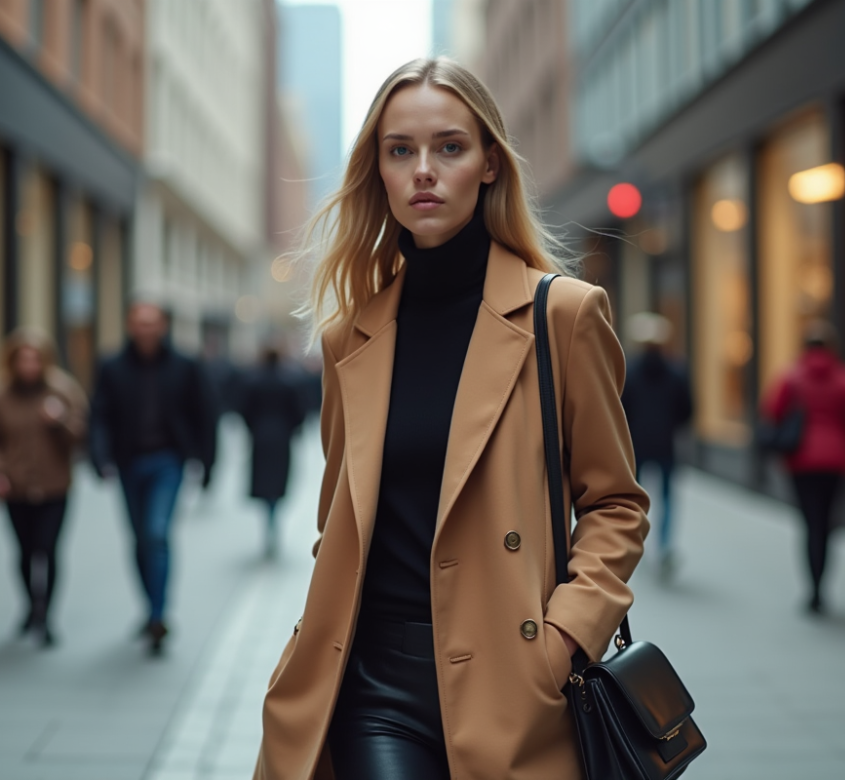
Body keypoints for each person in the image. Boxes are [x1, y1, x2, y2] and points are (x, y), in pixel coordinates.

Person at [255, 58, 650, 780]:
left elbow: (616, 502)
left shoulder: (561, 315)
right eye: (400, 150)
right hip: (374, 681)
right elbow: (338, 519)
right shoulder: (353, 336)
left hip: (515, 675)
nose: (423, 171)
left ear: (490, 163)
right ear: (377, 171)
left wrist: (566, 635)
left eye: (450, 147)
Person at [89, 302, 219, 656]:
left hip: (168, 461)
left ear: (163, 326)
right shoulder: (112, 366)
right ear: (129, 325)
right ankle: (149, 609)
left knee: (156, 533)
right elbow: (99, 414)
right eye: (138, 322)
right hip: (130, 463)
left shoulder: (186, 365)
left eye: (151, 323)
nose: (144, 329)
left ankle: (160, 614)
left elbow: (206, 416)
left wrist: (209, 465)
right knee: (138, 538)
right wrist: (99, 458)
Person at [0, 329, 87, 648]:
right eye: (22, 359)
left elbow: (81, 436)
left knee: (49, 549)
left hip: (55, 486)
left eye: (35, 359)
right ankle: (30, 605)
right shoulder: (0, 395)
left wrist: (60, 420)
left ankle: (47, 616)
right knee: (25, 552)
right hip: (16, 487)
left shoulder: (63, 390)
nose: (29, 365)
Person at [761, 320, 845, 613]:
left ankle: (814, 589)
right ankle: (823, 583)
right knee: (828, 524)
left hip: (801, 461)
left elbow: (772, 412)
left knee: (810, 522)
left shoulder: (792, 377)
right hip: (836, 461)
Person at [621, 312, 692, 578]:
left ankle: (632, 546)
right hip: (665, 444)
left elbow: (620, 409)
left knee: (632, 499)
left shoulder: (630, 371)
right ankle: (663, 548)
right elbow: (687, 410)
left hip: (635, 445)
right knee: (666, 499)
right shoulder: (676, 371)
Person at [239, 347, 307, 558]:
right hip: (281, 438)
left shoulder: (253, 382)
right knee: (277, 483)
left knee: (265, 483)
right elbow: (299, 412)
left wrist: (253, 429)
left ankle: (269, 519)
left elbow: (244, 410)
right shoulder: (289, 382)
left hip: (261, 438)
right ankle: (273, 517)